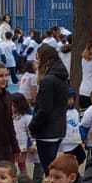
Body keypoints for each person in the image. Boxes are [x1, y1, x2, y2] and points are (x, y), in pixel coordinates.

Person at [29, 45, 71, 175]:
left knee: (49, 170)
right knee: (51, 167)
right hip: (58, 127)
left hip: (47, 130)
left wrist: (33, 125)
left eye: (38, 58)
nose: (36, 61)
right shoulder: (61, 77)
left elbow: (44, 109)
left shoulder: (48, 80)